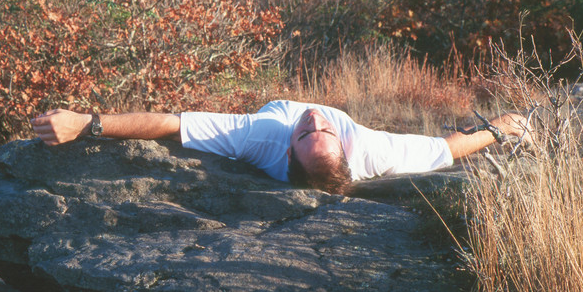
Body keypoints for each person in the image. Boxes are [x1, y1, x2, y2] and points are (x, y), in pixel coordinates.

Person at [31, 100, 532, 195]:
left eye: (307, 131)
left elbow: (171, 124)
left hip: (269, 112)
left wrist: (86, 125)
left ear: (289, 150)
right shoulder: (375, 150)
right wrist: (502, 129)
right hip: (336, 138)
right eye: (321, 129)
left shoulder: (264, 136)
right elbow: (446, 150)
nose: (313, 118)